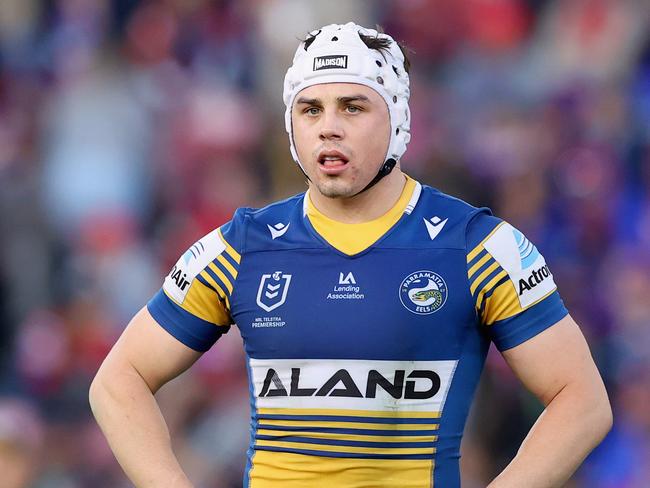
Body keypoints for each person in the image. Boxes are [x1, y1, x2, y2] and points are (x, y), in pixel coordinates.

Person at [89, 22, 612, 488]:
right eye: (310, 109)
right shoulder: (240, 247)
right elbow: (118, 381)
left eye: (353, 106)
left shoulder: (478, 245)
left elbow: (582, 402)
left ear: (399, 119)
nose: (328, 126)